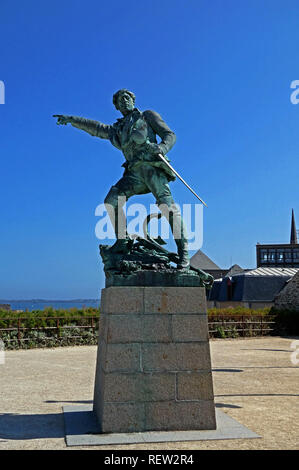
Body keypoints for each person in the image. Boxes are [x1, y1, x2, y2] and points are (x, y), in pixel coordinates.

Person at [53, 89, 189, 269]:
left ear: (133, 100)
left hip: (152, 168)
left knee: (168, 208)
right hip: (133, 173)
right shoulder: (117, 129)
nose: (124, 101)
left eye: (127, 98)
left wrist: (161, 148)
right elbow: (96, 128)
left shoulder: (147, 116)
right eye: (120, 100)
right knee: (111, 201)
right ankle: (123, 239)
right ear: (116, 106)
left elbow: (170, 135)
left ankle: (184, 253)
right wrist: (72, 120)